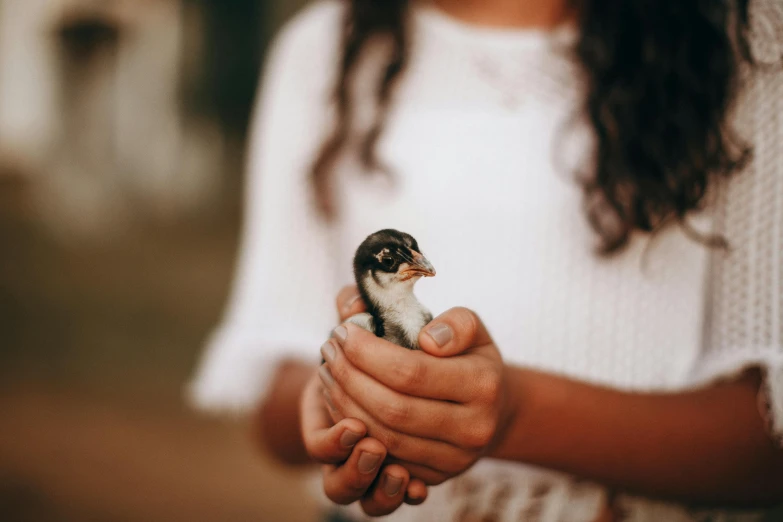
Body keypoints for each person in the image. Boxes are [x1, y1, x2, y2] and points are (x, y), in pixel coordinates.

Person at [189, 0, 783, 520]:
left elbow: (767, 445)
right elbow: (275, 389)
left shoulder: (751, 40)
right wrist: (347, 394)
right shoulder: (324, 46)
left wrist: (513, 414)